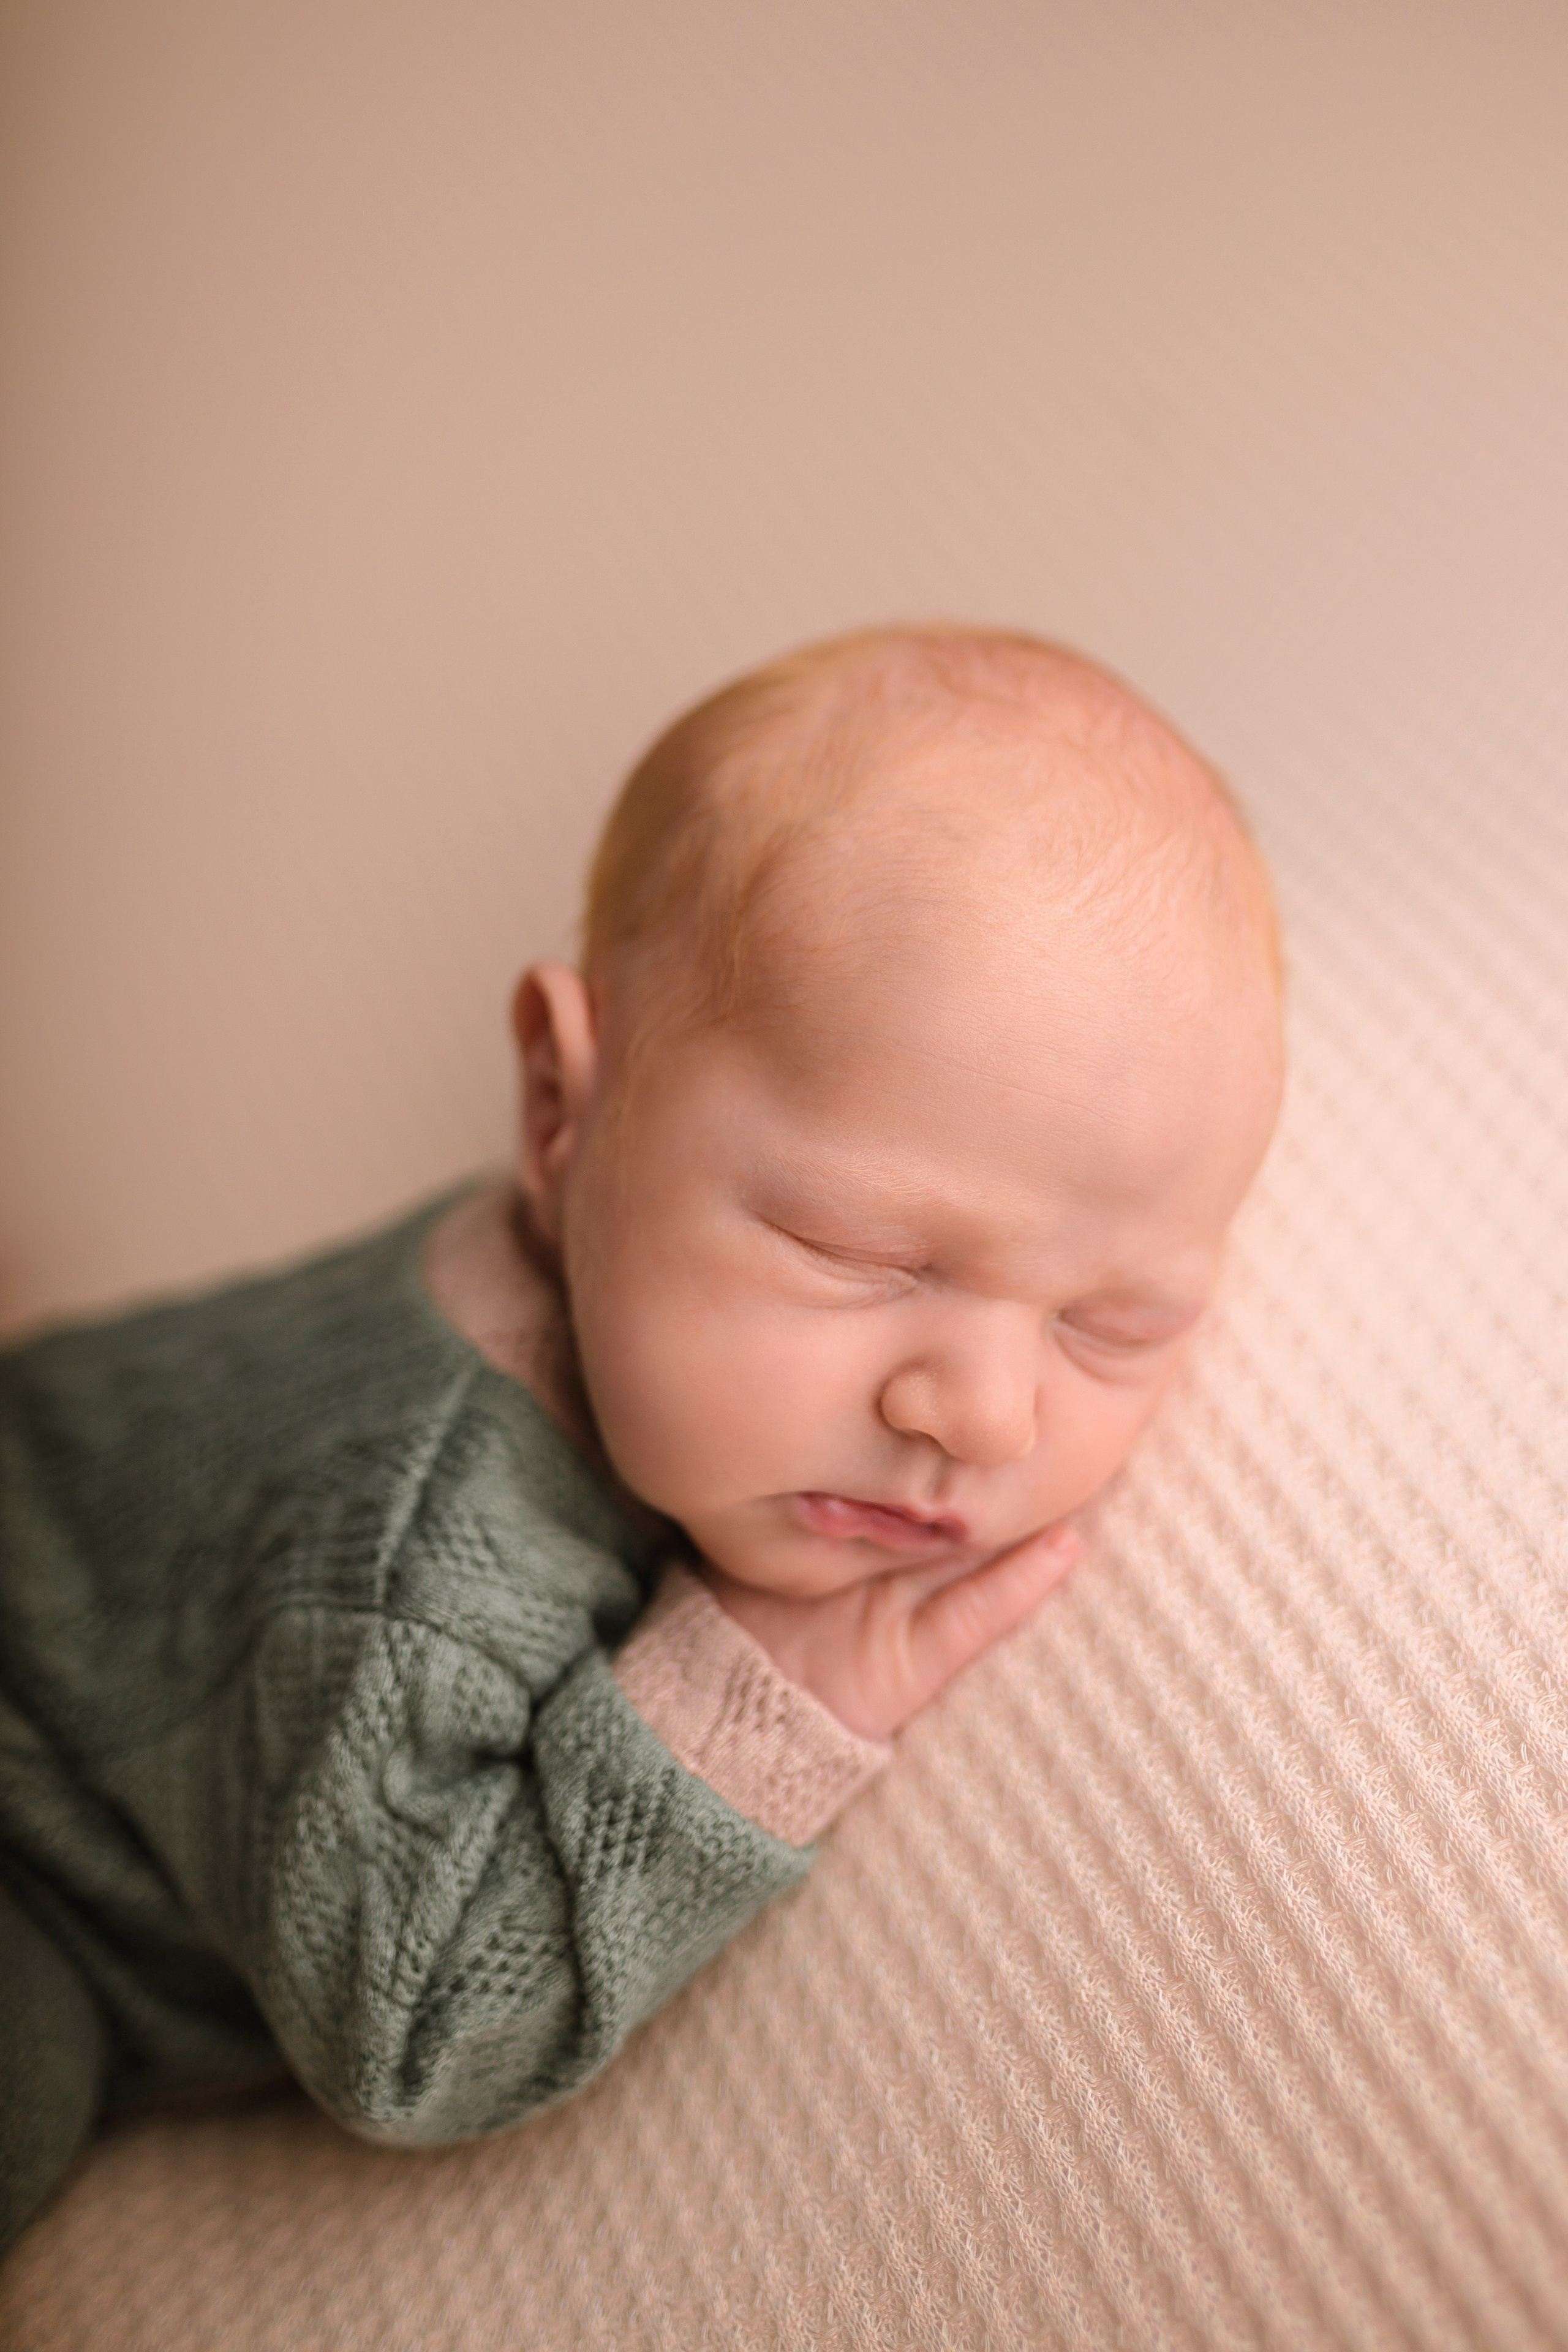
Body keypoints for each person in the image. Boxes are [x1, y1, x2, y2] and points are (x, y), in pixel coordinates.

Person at [0, 624, 1284, 2257]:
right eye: (866, 1253)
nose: (982, 1412)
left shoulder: (627, 1295)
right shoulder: (422, 1559)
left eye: (1113, 1322)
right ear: (563, 1108)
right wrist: (755, 1699)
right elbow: (413, 2034)